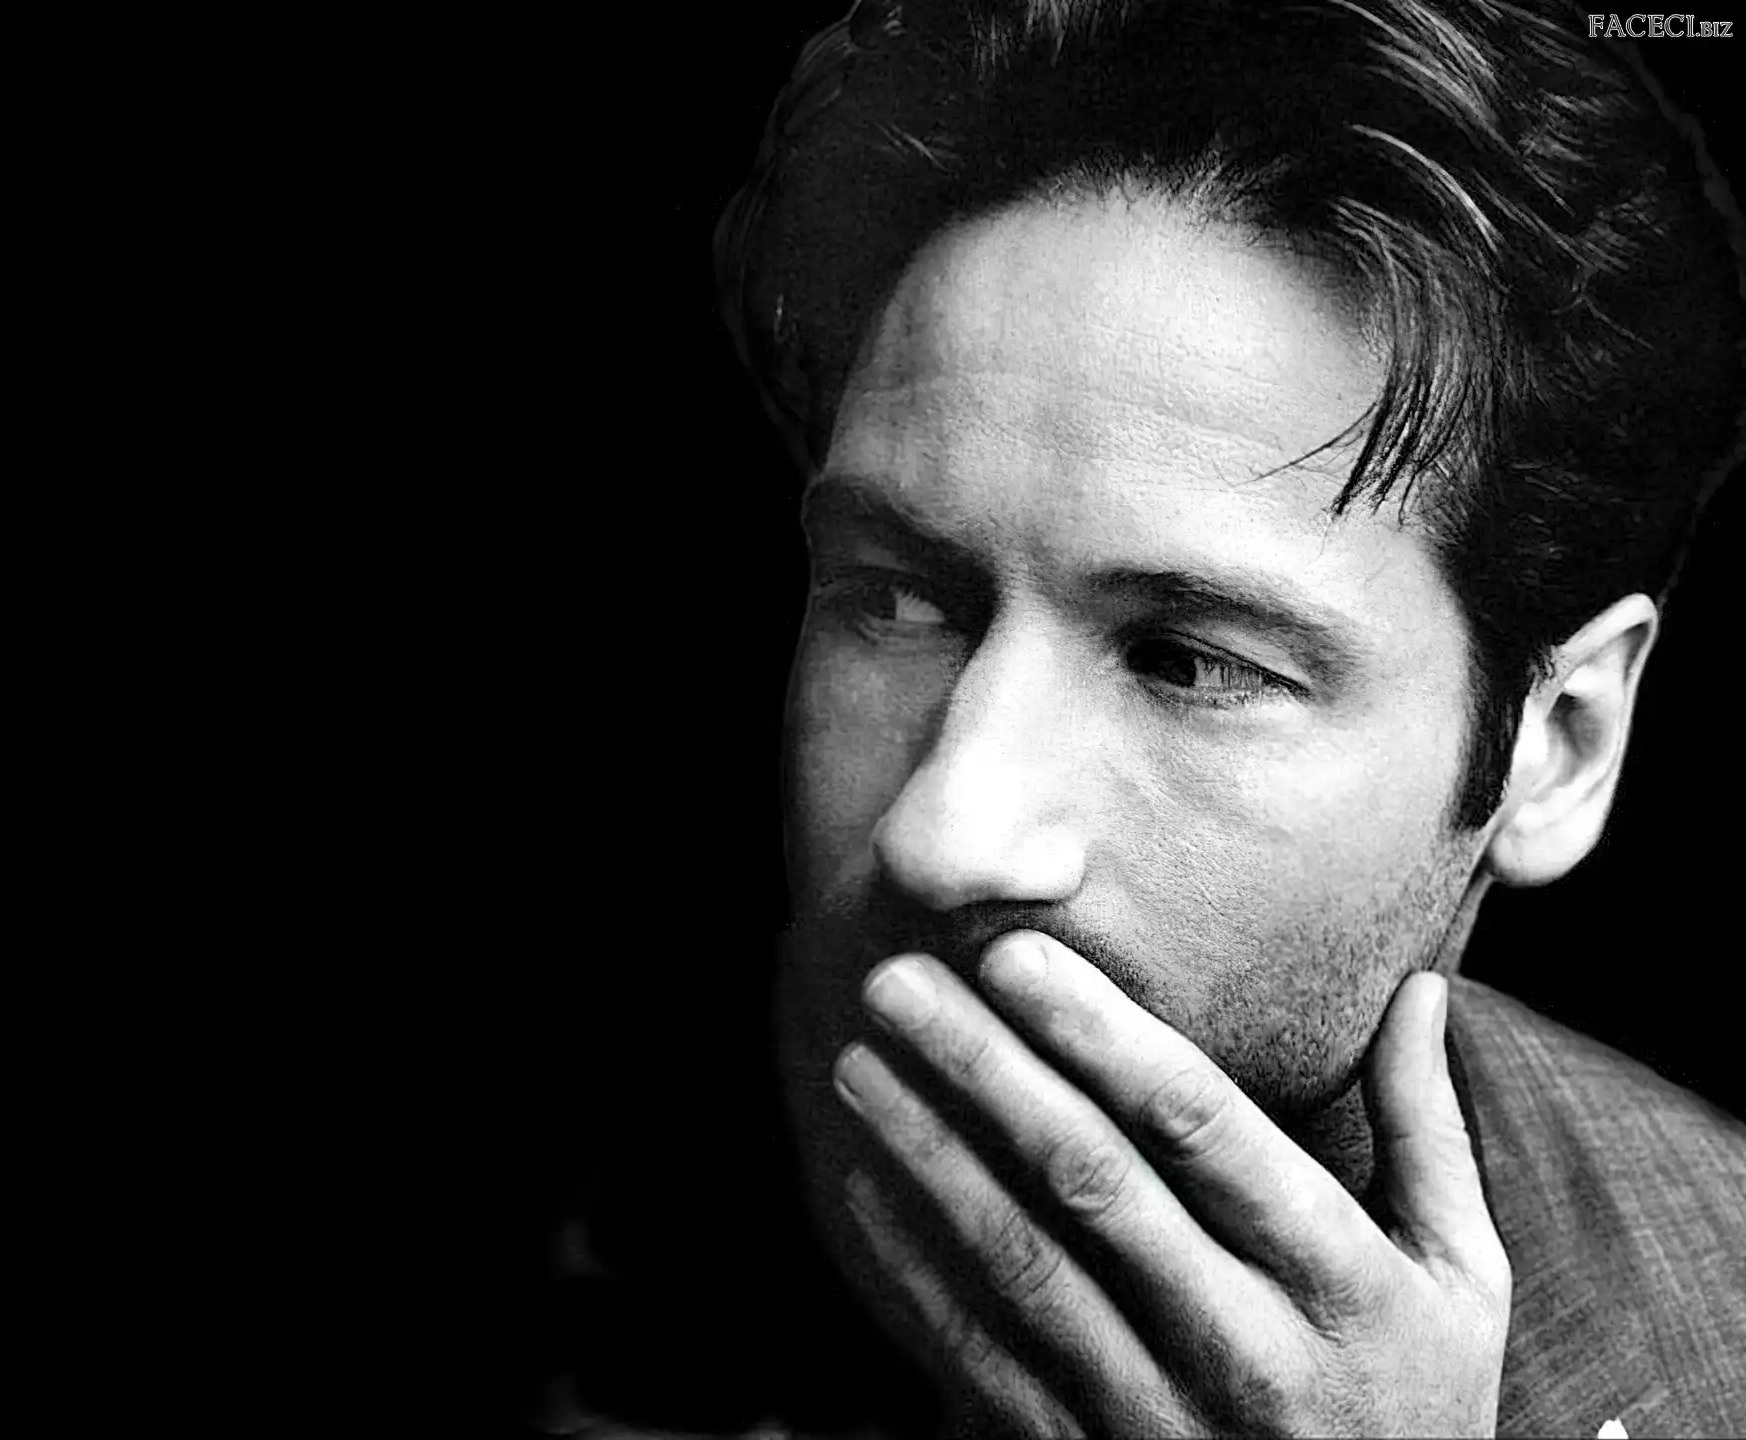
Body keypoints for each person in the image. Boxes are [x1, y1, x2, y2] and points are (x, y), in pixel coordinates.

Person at [526, 2, 1746, 1435]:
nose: (943, 833)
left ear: (1559, 748)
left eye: (1189, 662)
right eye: (896, 600)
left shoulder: (1719, 1292)